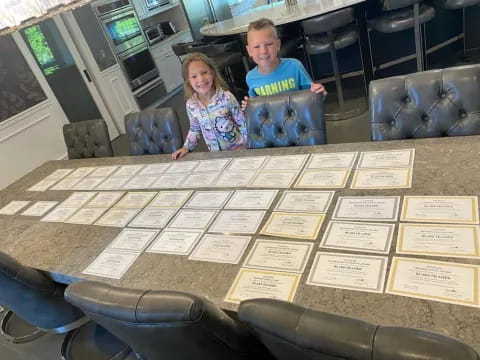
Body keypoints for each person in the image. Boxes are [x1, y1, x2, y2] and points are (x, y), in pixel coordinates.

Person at [172, 53, 247, 160]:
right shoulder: (191, 104)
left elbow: (242, 122)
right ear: (188, 81)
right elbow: (195, 129)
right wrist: (186, 147)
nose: (201, 79)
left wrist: (250, 146)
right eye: (194, 76)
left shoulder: (227, 97)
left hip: (238, 151)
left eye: (204, 72)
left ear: (212, 73)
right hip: (215, 156)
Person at [242, 18, 327, 110]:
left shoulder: (294, 66)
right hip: (272, 124)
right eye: (256, 46)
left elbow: (312, 96)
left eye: (269, 44)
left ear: (278, 45)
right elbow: (256, 109)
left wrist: (319, 92)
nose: (263, 51)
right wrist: (249, 107)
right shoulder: (250, 77)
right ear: (249, 51)